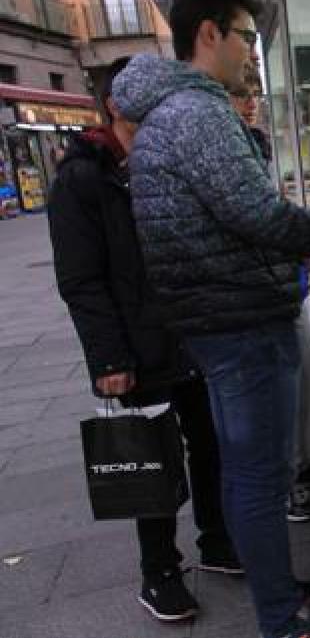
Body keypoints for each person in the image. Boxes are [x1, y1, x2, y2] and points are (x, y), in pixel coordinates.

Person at [114, 0, 310, 638]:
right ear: (210, 34)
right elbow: (259, 215)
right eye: (246, 36)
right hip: (243, 326)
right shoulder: (198, 114)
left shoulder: (164, 117)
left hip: (217, 322)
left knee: (248, 474)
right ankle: (286, 622)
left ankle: (281, 595)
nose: (251, 52)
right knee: (259, 479)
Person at [47, 56, 240, 623]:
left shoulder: (159, 162)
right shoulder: (83, 178)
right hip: (135, 347)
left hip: (191, 335)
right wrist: (109, 357)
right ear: (117, 104)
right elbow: (81, 280)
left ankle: (217, 541)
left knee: (209, 445)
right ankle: (158, 571)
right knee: (151, 459)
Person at [229, 76, 310, 525]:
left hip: (280, 285)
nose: (251, 103)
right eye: (242, 94)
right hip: (255, 296)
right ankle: (285, 486)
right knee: (279, 390)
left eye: (254, 94)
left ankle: (303, 461)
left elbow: (274, 209)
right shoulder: (226, 150)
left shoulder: (254, 145)